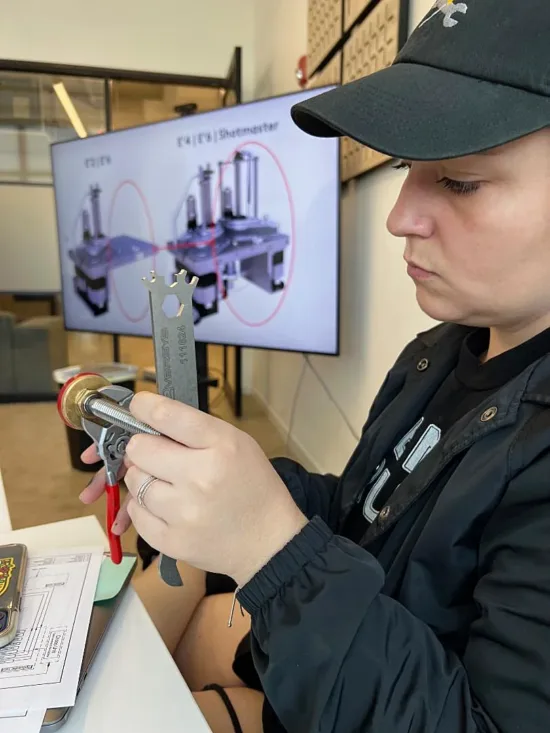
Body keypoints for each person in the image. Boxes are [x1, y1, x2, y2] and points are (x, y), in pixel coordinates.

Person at [80, 1, 550, 731]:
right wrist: (223, 482)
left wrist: (272, 546)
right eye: (406, 168)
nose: (399, 216)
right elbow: (368, 516)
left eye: (459, 181)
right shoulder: (443, 350)